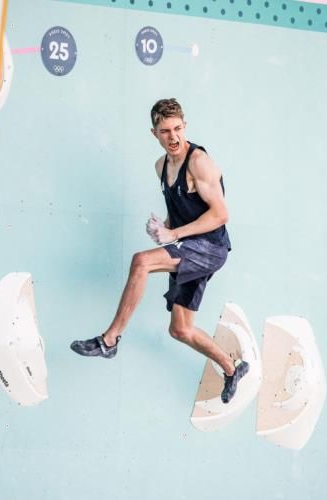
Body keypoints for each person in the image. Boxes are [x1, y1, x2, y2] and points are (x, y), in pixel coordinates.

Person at [71, 98, 249, 403]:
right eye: (165, 131)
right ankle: (232, 368)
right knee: (180, 329)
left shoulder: (199, 162)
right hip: (189, 247)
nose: (173, 136)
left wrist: (173, 234)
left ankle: (109, 340)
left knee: (141, 262)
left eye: (178, 128)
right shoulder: (161, 166)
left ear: (185, 126)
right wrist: (161, 227)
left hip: (210, 247)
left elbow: (220, 214)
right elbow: (180, 211)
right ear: (154, 133)